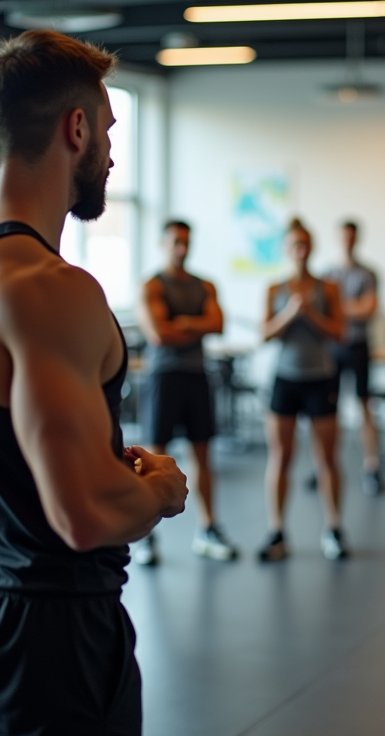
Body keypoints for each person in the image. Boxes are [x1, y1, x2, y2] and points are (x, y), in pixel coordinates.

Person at [0, 30, 188, 736]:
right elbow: (83, 515)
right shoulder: (50, 287)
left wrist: (78, 460)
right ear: (76, 127)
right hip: (47, 632)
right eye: (110, 130)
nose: (113, 154)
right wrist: (160, 489)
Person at [133, 220, 238, 565]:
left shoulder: (204, 285)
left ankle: (208, 529)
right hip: (163, 376)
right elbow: (158, 335)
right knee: (152, 457)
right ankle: (145, 536)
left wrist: (183, 323)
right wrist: (196, 325)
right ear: (163, 243)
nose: (182, 248)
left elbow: (218, 324)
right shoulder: (150, 286)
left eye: (186, 242)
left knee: (204, 455)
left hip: (196, 376)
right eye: (176, 241)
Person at [260, 219, 347, 561]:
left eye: (305, 243)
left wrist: (308, 312)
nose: (300, 249)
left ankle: (334, 528)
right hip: (285, 378)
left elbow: (339, 333)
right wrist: (288, 314)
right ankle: (276, 530)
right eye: (294, 244)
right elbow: (264, 334)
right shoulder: (274, 289)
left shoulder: (327, 289)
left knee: (326, 459)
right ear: (286, 249)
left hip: (321, 378)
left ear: (311, 248)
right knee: (281, 457)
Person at [325, 221, 382, 495]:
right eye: (343, 237)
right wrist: (351, 307)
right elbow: (327, 315)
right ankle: (324, 465)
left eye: (351, 237)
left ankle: (372, 467)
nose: (347, 241)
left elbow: (368, 310)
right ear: (338, 239)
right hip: (332, 349)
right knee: (328, 411)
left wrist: (339, 308)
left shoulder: (368, 273)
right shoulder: (327, 275)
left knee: (364, 407)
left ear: (356, 239)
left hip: (358, 347)